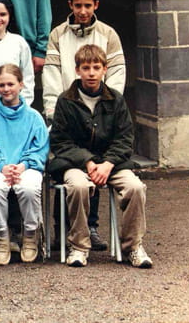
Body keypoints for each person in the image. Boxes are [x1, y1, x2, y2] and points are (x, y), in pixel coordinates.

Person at [49, 44, 153, 269]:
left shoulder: (116, 99)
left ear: (105, 69)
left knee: (135, 187)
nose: (91, 73)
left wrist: (107, 164)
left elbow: (125, 138)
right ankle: (79, 246)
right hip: (76, 163)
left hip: (111, 163)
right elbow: (60, 141)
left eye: (96, 68)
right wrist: (87, 161)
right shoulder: (65, 101)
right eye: (86, 68)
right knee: (78, 186)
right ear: (77, 70)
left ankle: (132, 246)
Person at [43, 0, 126, 251]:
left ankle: (91, 227)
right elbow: (52, 74)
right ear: (70, 5)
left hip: (99, 110)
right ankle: (62, 229)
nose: (82, 11)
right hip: (68, 111)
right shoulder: (58, 34)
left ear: (96, 5)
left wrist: (106, 106)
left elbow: (116, 74)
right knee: (68, 169)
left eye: (87, 5)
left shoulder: (108, 34)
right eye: (77, 5)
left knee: (95, 166)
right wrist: (54, 110)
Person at [0, 64, 49, 265]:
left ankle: (30, 234)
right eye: (2, 85)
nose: (6, 89)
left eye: (10, 84)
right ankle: (2, 235)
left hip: (26, 167)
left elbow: (40, 148)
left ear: (21, 85)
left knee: (29, 188)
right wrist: (1, 166)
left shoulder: (34, 117)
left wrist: (24, 165)